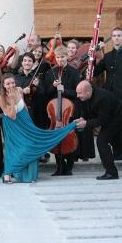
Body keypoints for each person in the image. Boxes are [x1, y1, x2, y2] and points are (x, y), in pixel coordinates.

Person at [0, 74, 77, 183]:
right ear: (3, 85)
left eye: (12, 83)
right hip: (13, 125)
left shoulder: (19, 90)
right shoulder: (1, 98)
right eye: (8, 84)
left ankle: (29, 175)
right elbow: (12, 115)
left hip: (25, 122)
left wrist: (29, 123)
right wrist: (11, 100)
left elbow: (24, 106)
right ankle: (7, 173)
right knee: (15, 149)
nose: (11, 85)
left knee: (32, 144)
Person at [75, 81, 122, 179]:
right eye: (77, 93)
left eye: (79, 93)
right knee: (118, 143)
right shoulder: (85, 97)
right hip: (109, 116)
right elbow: (86, 111)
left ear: (88, 91)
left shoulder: (102, 98)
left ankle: (111, 172)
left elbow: (102, 120)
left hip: (117, 116)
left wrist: (86, 123)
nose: (78, 95)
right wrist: (82, 118)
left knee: (102, 141)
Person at [43, 46, 81, 176]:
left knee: (70, 137)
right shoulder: (50, 73)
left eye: (63, 57)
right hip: (55, 111)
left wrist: (64, 90)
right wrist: (53, 87)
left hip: (69, 110)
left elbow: (78, 93)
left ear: (67, 57)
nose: (60, 60)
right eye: (58, 57)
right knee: (56, 138)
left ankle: (69, 166)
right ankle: (59, 166)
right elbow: (46, 94)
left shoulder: (74, 72)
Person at [93, 27, 122, 106]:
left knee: (120, 118)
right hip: (107, 94)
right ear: (112, 38)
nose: (116, 38)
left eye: (119, 36)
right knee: (107, 117)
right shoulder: (107, 56)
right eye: (114, 36)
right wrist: (95, 57)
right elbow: (95, 72)